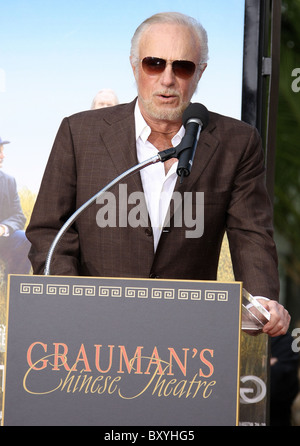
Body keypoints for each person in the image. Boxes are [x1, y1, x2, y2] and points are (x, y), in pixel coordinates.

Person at [26, 12, 290, 337]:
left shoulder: (237, 142)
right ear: (135, 66)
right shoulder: (79, 133)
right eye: (154, 63)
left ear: (200, 72)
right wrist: (73, 301)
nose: (167, 79)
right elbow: (50, 230)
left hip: (186, 342)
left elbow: (251, 233)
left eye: (182, 66)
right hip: (91, 336)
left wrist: (260, 300)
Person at [0, 137, 31, 277]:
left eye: (2, 151)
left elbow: (18, 216)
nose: (3, 156)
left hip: (3, 240)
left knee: (25, 238)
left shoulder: (9, 181)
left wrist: (3, 228)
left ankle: (14, 290)